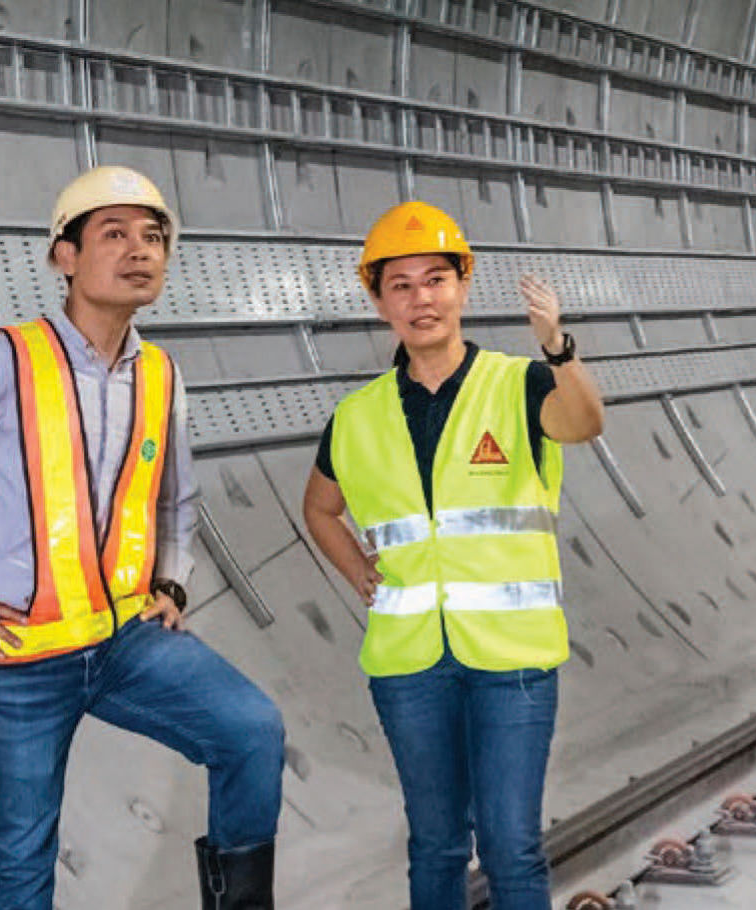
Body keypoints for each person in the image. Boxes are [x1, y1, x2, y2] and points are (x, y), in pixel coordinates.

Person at [0, 166, 284, 910]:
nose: (139, 250)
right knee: (21, 852)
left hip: (126, 642)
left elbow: (177, 493)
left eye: (153, 237)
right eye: (113, 234)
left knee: (250, 730)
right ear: (66, 255)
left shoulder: (160, 373)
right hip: (18, 662)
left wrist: (172, 581)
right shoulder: (6, 359)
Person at [301, 200, 605, 909]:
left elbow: (586, 423)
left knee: (509, 844)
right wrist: (360, 574)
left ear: (463, 287)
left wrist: (556, 347)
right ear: (379, 301)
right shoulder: (357, 416)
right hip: (409, 664)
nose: (420, 298)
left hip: (513, 661)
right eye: (399, 285)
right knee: (435, 844)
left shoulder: (520, 384)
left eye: (435, 279)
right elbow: (319, 507)